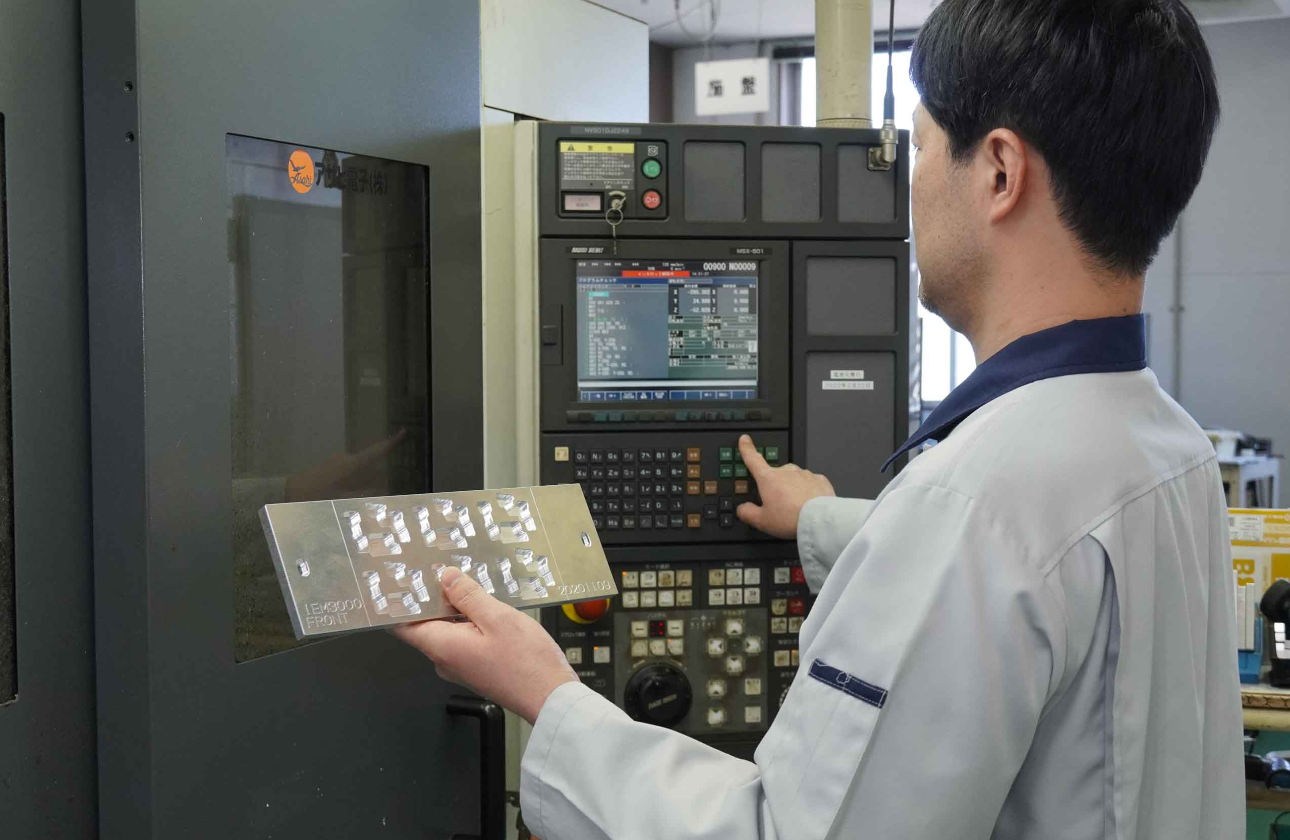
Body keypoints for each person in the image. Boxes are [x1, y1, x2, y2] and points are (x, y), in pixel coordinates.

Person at [394, 0, 1244, 836]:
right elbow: (1042, 591)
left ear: (998, 172)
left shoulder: (971, 506)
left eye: (923, 146)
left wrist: (548, 695)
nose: (911, 186)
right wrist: (825, 521)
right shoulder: (1169, 449)